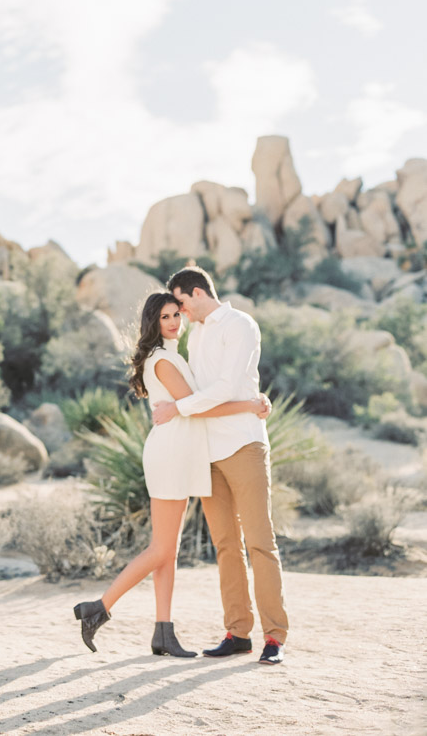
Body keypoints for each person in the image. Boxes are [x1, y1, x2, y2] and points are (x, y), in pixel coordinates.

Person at [73, 292, 271, 656]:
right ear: (153, 322)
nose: (174, 322)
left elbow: (193, 404)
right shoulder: (163, 359)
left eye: (176, 314)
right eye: (165, 317)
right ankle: (98, 609)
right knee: (161, 548)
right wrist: (251, 405)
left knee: (169, 550)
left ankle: (163, 632)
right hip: (170, 454)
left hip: (179, 453)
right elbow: (197, 409)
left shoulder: (171, 356)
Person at [152, 266, 289, 666]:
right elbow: (199, 388)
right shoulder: (195, 334)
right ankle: (238, 632)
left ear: (195, 293)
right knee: (226, 545)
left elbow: (227, 387)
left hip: (244, 444)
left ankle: (274, 637)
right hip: (207, 451)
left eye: (179, 302)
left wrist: (178, 408)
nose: (178, 313)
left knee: (260, 542)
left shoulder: (240, 324)